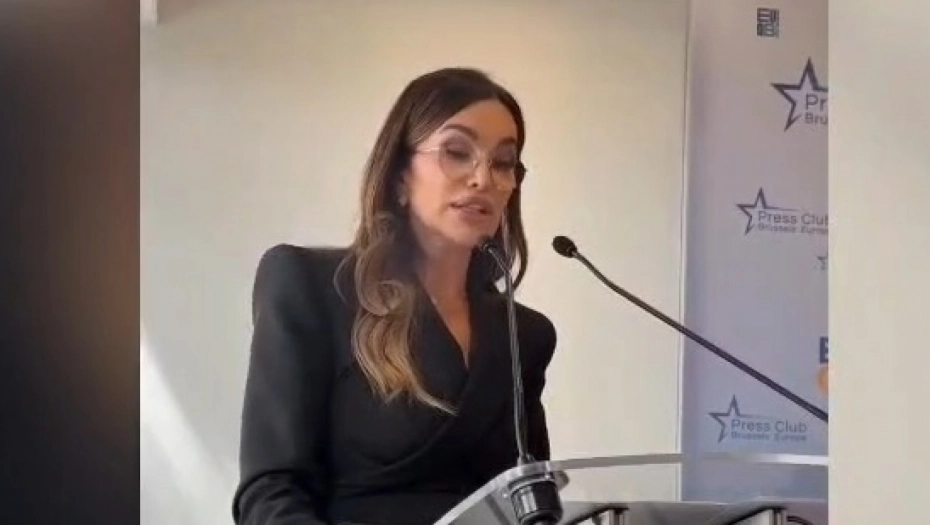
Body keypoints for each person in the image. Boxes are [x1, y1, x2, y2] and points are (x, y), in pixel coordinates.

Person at [232, 67, 558, 525]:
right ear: (400, 176)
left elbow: (529, 500)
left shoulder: (525, 334)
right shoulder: (309, 287)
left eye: (504, 162)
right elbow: (271, 492)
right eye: (457, 153)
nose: (483, 178)